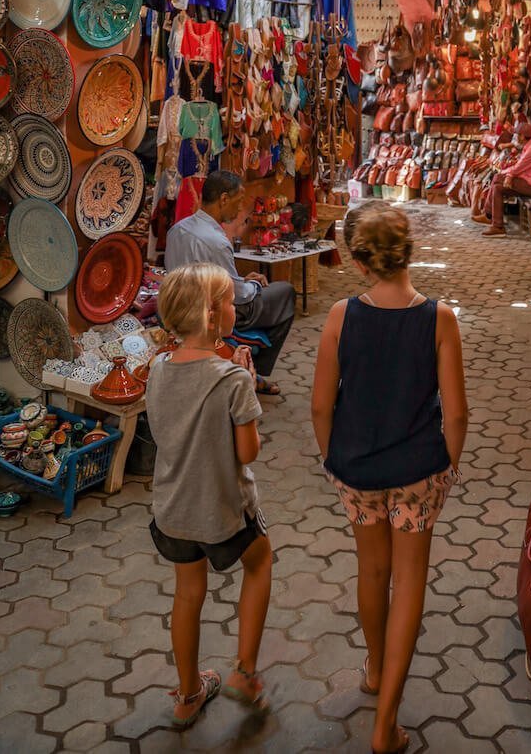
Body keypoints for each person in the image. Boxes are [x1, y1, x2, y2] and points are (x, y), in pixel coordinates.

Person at [311, 204, 468, 754]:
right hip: (418, 471)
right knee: (409, 584)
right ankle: (386, 725)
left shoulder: (339, 316)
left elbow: (319, 405)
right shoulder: (439, 318)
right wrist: (448, 465)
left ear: (358, 262)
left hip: (356, 468)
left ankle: (375, 670)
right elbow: (456, 412)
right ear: (409, 251)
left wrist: (334, 459)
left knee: (372, 572)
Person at [146, 263, 273, 728]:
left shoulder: (157, 369)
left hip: (173, 510)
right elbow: (248, 451)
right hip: (224, 510)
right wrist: (246, 386)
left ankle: (187, 693)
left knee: (187, 595)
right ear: (211, 315)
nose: (234, 305)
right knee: (260, 564)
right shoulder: (232, 379)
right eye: (227, 299)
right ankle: (244, 671)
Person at [165, 170, 295, 395]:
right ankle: (255, 370)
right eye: (238, 201)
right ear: (223, 199)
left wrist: (241, 279)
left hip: (181, 303)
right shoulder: (216, 241)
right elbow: (239, 294)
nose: (239, 207)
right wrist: (252, 285)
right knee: (285, 293)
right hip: (212, 308)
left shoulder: (178, 230)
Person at [475, 120, 531, 236]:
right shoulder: (527, 148)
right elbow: (519, 168)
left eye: (518, 135)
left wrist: (507, 174)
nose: (516, 138)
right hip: (529, 181)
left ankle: (491, 218)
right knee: (497, 187)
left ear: (522, 136)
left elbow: (518, 167)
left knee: (498, 178)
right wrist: (508, 175)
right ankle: (495, 223)